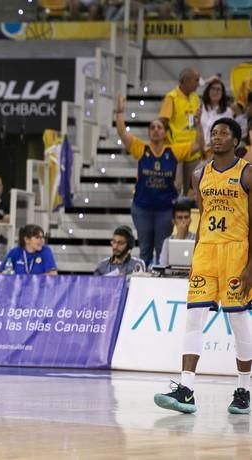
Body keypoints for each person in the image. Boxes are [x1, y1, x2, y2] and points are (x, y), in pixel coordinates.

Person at [154, 118, 252, 415]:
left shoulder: (247, 173)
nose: (217, 137)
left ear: (235, 140)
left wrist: (250, 267)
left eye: (223, 133)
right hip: (206, 252)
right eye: (213, 133)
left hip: (236, 251)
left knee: (238, 321)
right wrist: (194, 258)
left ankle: (244, 389)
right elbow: (202, 218)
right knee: (193, 317)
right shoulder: (199, 175)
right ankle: (186, 390)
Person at [116, 94, 203, 267]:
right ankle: (143, 281)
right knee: (145, 249)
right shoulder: (141, 148)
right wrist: (119, 112)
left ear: (165, 133)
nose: (156, 130)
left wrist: (198, 123)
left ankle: (159, 279)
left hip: (164, 209)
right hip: (142, 208)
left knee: (161, 247)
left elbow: (198, 145)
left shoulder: (173, 151)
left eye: (159, 127)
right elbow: (122, 134)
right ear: (149, 132)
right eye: (152, 127)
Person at [159, 68, 202, 194]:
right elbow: (163, 122)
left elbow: (193, 122)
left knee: (192, 189)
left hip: (193, 150)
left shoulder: (195, 98)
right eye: (196, 80)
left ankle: (187, 213)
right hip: (175, 151)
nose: (198, 84)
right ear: (185, 81)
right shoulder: (171, 97)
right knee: (175, 187)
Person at [158, 201, 196, 266]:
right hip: (171, 274)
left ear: (190, 220)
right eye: (179, 218)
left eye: (186, 217)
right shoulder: (167, 242)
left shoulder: (197, 239)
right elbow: (163, 264)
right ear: (173, 221)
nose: (183, 221)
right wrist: (180, 236)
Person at [200, 79, 233, 150]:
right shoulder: (200, 107)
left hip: (215, 150)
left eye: (218, 89)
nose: (215, 92)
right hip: (197, 149)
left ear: (222, 93)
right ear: (208, 91)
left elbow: (229, 134)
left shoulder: (227, 112)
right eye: (212, 89)